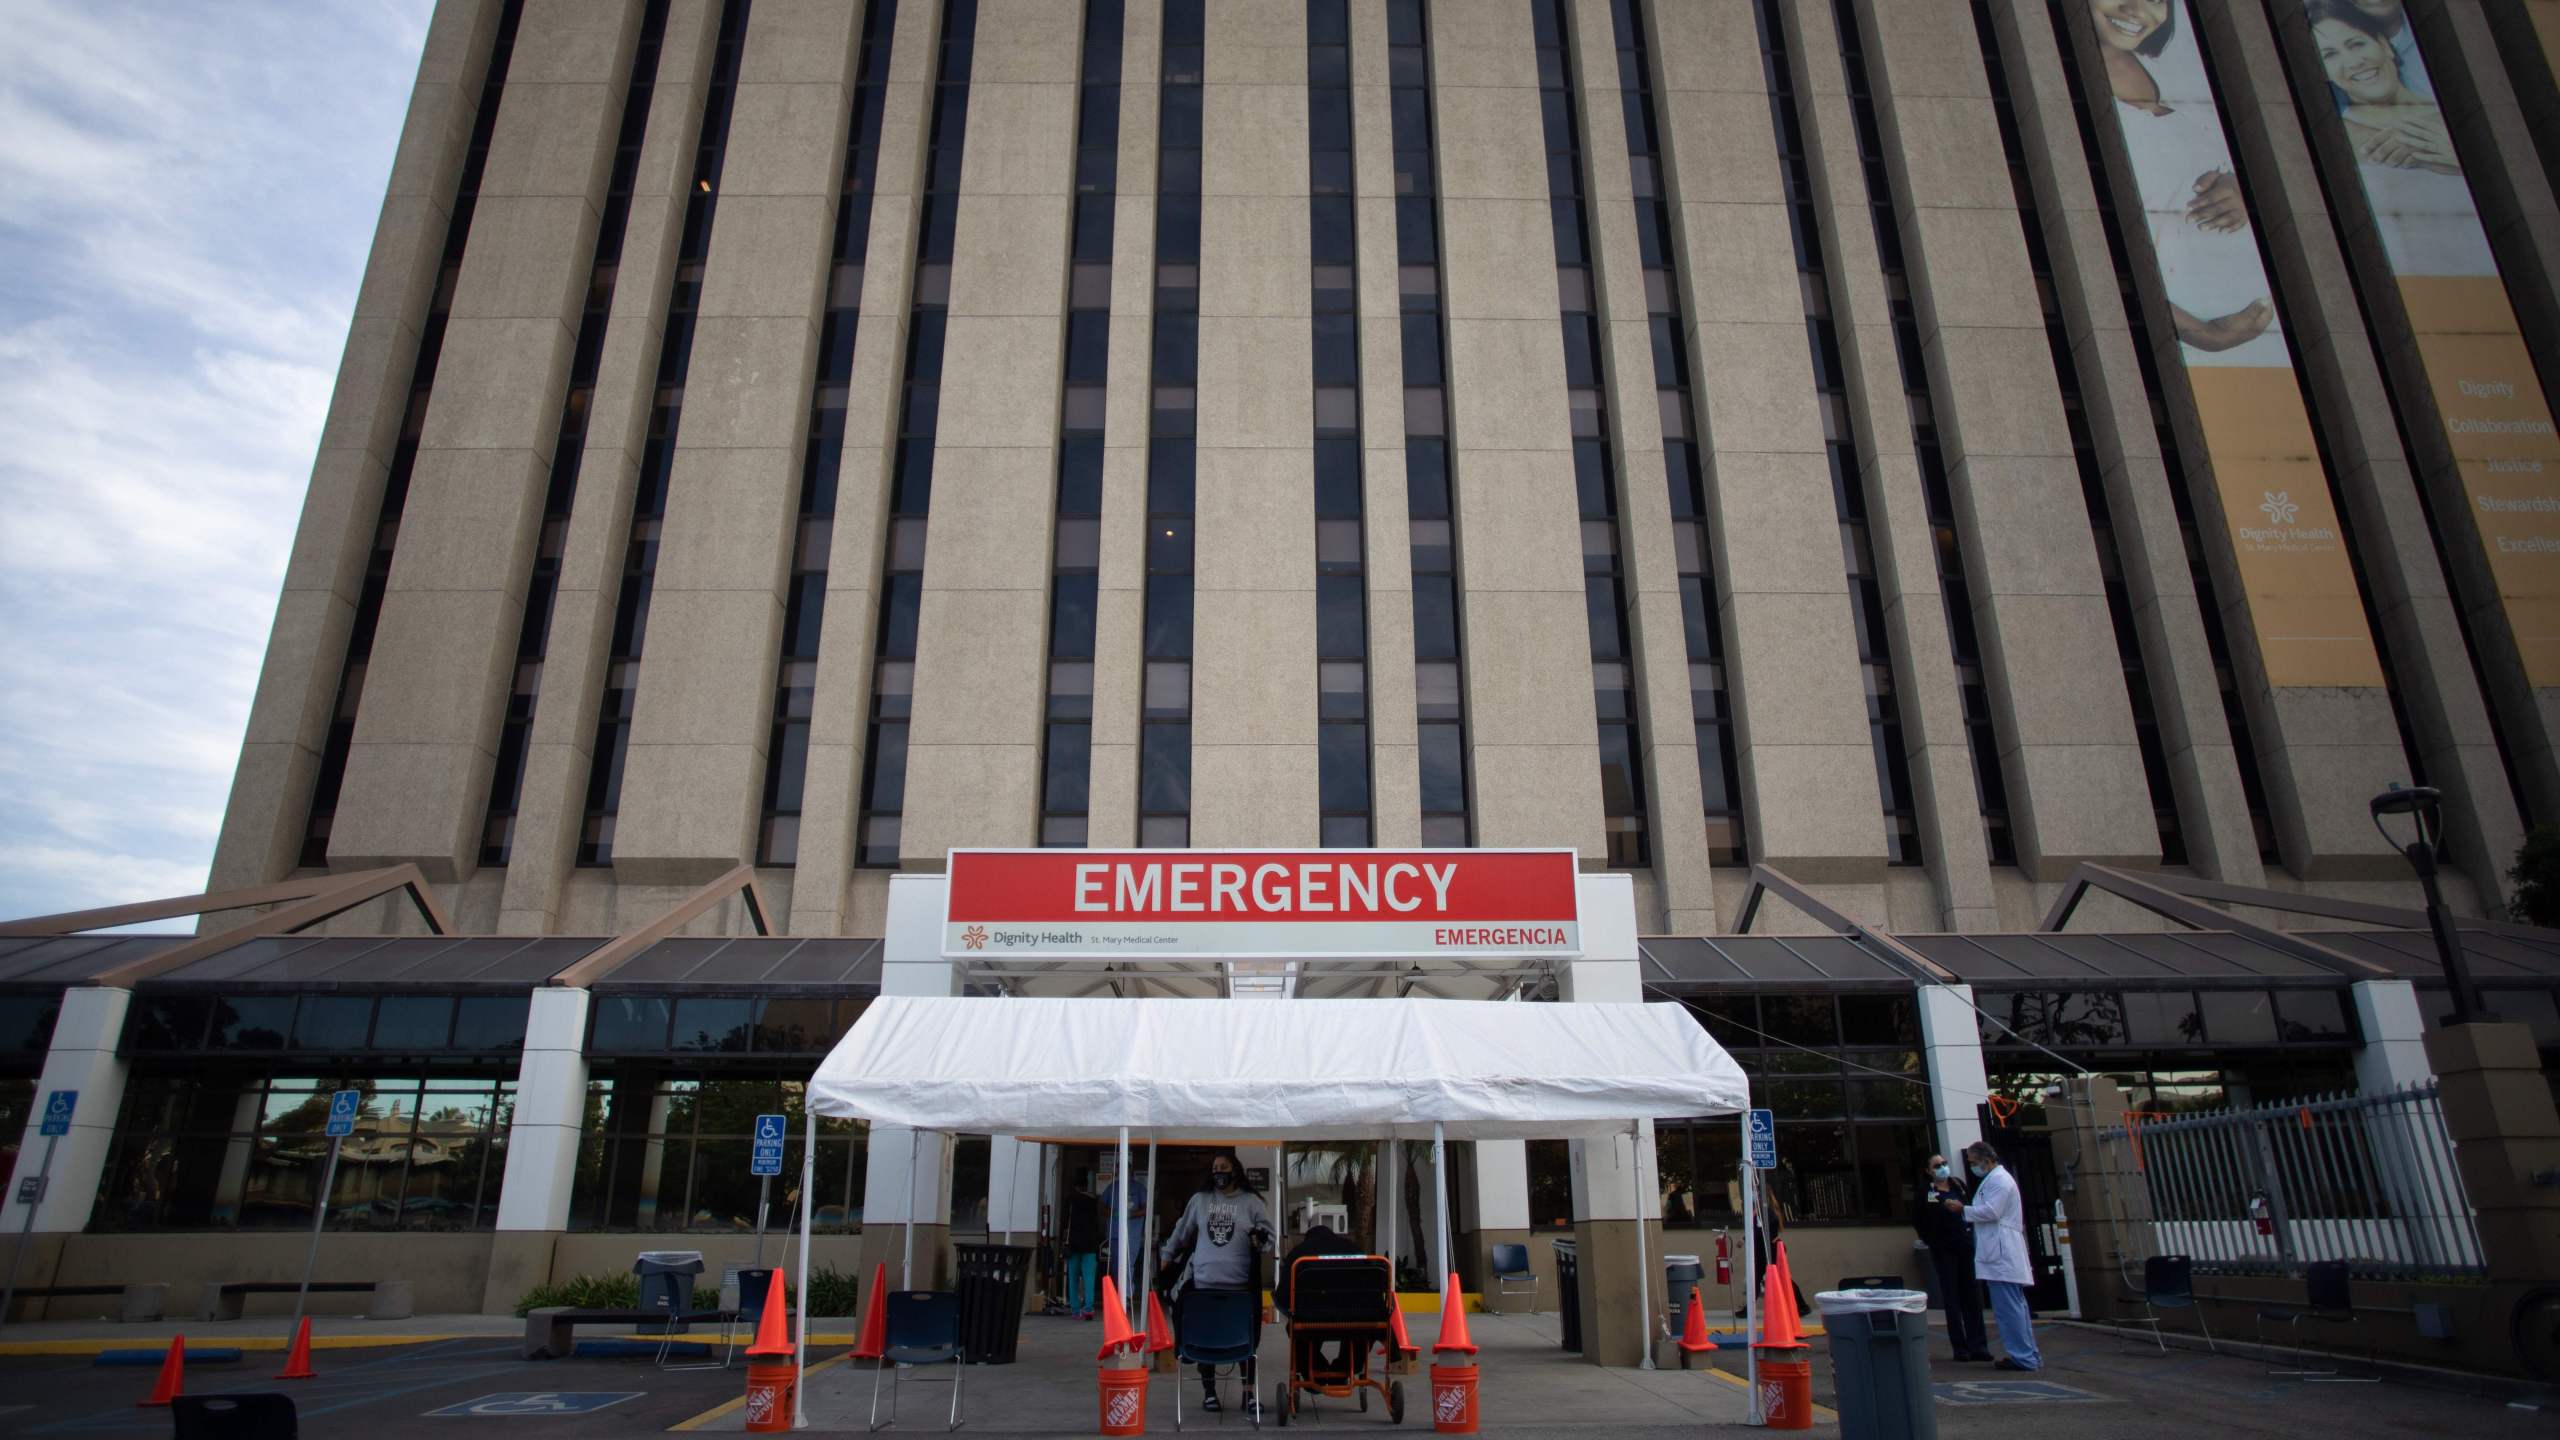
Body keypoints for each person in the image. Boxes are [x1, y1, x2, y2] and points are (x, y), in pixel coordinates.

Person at [2086, 0, 2282, 361]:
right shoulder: (2063, 91)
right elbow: (2088, 253)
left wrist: (2238, 186)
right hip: (2193, 350)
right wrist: (2202, 334)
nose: (2136, 7)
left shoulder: (2179, 74)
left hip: (2265, 329)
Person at [1161, 1151, 1275, 1417]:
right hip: (1203, 1286)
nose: (1218, 1172)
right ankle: (1209, 1392)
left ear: (1235, 1170)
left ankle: (1248, 1395)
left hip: (1240, 1290)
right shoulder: (1200, 1200)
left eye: (1224, 1167)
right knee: (1206, 1340)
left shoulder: (1252, 1203)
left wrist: (1261, 1240)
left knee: (1246, 1341)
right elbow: (1181, 1231)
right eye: (1214, 1168)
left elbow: (1269, 1239)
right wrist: (1167, 1256)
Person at [1944, 1140, 2038, 1371]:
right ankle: (2027, 1354)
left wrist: (1962, 1209)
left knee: (2009, 1309)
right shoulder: (1995, 1180)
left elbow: (1992, 1211)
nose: (1973, 1166)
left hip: (2002, 1253)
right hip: (2001, 1251)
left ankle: (2023, 1356)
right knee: (2015, 1307)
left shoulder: (1999, 1181)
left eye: (1974, 1162)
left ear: (1987, 1159)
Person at [1912, 1153, 1990, 1362]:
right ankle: (1960, 1347)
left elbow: (1972, 1210)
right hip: (1943, 1249)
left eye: (1944, 1164)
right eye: (1937, 1165)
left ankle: (1978, 1345)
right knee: (1952, 1297)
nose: (1943, 1168)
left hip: (1965, 1246)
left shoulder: (1958, 1186)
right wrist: (1932, 1241)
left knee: (1971, 1296)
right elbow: (1919, 1220)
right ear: (1928, 1171)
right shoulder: (1925, 1192)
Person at [1063, 1171, 1102, 1320]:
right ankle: (1088, 1308)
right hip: (1090, 1243)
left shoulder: (1069, 1200)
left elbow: (1065, 1222)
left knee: (1072, 1277)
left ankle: (1075, 1309)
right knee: (1089, 1277)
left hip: (1072, 1243)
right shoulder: (1092, 1201)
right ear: (1086, 1184)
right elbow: (1096, 1224)